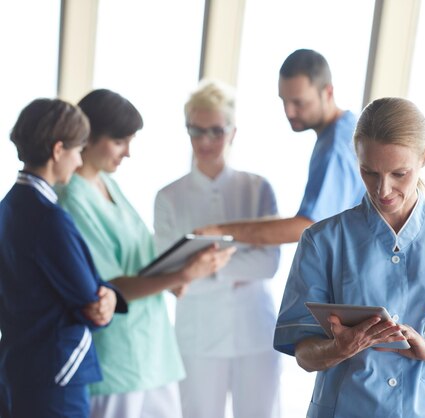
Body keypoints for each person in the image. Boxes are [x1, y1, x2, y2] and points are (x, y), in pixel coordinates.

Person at [274, 97, 425, 417]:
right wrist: (338, 349)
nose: (383, 190)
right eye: (369, 172)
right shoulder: (322, 241)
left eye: (399, 174)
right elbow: (303, 352)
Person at [56, 89, 234, 418]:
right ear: (89, 136)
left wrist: (174, 273)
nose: (128, 153)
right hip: (117, 357)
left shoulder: (108, 185)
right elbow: (108, 285)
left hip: (153, 351)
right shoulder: (72, 200)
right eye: (120, 141)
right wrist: (183, 274)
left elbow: (139, 258)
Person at [154, 79, 281, 418]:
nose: (205, 141)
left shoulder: (258, 189)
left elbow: (268, 264)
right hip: (198, 337)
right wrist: (236, 264)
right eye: (196, 131)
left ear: (233, 132)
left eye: (215, 131)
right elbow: (172, 277)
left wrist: (202, 268)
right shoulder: (168, 197)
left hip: (254, 333)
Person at [0, 98, 127, 418]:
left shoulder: (8, 206)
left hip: (18, 364)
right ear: (58, 151)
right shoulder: (48, 217)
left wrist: (106, 295)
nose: (78, 160)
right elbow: (88, 298)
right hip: (56, 371)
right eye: (77, 149)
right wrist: (107, 297)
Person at [195, 48, 365, 244]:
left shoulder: (336, 146)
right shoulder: (344, 130)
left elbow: (307, 226)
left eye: (298, 102)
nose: (289, 112)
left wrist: (219, 231)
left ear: (328, 92)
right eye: (283, 101)